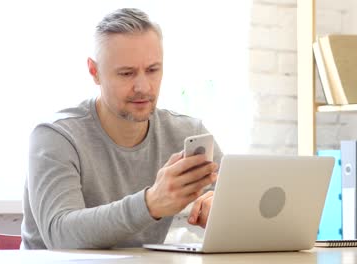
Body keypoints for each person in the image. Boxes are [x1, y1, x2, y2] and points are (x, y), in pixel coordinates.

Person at [21, 8, 223, 249]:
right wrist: (150, 204)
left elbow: (242, 205)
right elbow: (60, 234)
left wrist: (221, 211)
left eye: (152, 70)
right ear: (94, 72)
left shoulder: (187, 132)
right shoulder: (56, 136)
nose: (143, 87)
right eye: (126, 73)